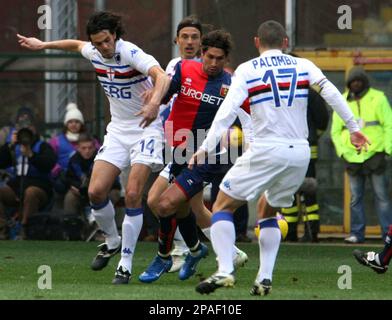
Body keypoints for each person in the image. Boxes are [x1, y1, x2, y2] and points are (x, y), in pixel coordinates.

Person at [189, 20, 369, 296]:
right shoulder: (303, 65)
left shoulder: (247, 69)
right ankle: (264, 278)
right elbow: (332, 93)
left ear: (257, 42)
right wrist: (354, 128)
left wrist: (206, 146)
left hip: (265, 148)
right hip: (299, 152)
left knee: (222, 205)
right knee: (268, 210)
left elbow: (227, 110)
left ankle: (225, 269)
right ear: (285, 43)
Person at [18, 11, 170, 277]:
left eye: (107, 41)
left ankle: (125, 264)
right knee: (95, 191)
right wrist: (43, 45)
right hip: (119, 131)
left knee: (134, 194)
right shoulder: (94, 51)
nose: (104, 47)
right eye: (98, 43)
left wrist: (154, 103)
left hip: (147, 129)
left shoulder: (130, 52)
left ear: (116, 35)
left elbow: (163, 77)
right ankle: (112, 241)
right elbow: (76, 45)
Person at [138, 29, 251, 285]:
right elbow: (166, 94)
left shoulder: (230, 84)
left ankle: (164, 256)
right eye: (209, 57)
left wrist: (254, 148)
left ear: (226, 59)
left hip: (207, 156)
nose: (213, 63)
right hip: (178, 150)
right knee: (182, 207)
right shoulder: (185, 69)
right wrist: (154, 99)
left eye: (219, 59)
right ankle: (198, 249)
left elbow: (249, 117)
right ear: (202, 53)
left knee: (165, 204)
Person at [331, 66, 392, 244]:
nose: (356, 83)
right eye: (353, 81)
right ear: (349, 83)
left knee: (382, 197)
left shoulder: (378, 98)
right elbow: (335, 131)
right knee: (355, 198)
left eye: (359, 80)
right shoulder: (341, 101)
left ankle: (387, 235)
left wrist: (387, 150)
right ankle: (357, 234)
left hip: (375, 153)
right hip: (352, 156)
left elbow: (389, 124)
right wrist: (342, 151)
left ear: (365, 82)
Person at [282, 87, 329, 242]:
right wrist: (313, 134)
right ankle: (303, 231)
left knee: (293, 189)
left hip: (290, 146)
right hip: (302, 145)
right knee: (296, 190)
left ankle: (295, 232)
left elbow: (322, 119)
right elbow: (322, 121)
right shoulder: (310, 93)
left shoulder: (281, 92)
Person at [0, 114, 56, 239]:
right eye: (22, 128)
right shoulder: (14, 147)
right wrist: (9, 146)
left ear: (34, 129)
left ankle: (25, 229)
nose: (25, 132)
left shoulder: (43, 146)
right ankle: (2, 229)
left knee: (30, 192)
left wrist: (31, 155)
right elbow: (1, 162)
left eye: (29, 127)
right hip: (16, 186)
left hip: (39, 187)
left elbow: (49, 164)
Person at [61, 133, 121, 239]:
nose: (87, 151)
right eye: (84, 148)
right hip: (80, 191)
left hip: (104, 191)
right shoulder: (74, 160)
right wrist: (74, 186)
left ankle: (103, 232)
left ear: (94, 147)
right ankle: (72, 231)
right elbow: (67, 178)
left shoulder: (102, 158)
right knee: (69, 198)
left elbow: (114, 182)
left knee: (111, 195)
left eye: (90, 148)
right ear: (78, 148)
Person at [49, 102, 100, 193]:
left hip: (87, 177)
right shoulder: (56, 141)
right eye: (70, 122)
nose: (73, 124)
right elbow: (50, 160)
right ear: (66, 124)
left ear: (81, 124)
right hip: (64, 178)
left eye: (77, 122)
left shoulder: (91, 140)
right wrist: (58, 170)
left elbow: (100, 154)